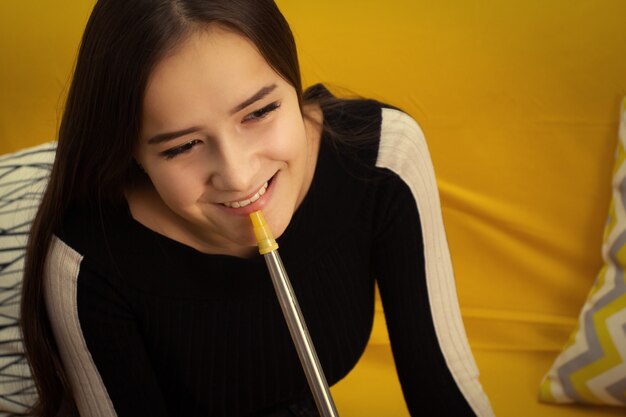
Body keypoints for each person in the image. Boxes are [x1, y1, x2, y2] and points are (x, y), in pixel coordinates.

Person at [20, 1, 493, 416]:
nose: (241, 177)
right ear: (133, 156)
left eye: (260, 112)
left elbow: (445, 390)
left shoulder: (385, 155)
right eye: (183, 146)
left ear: (294, 81)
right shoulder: (85, 263)